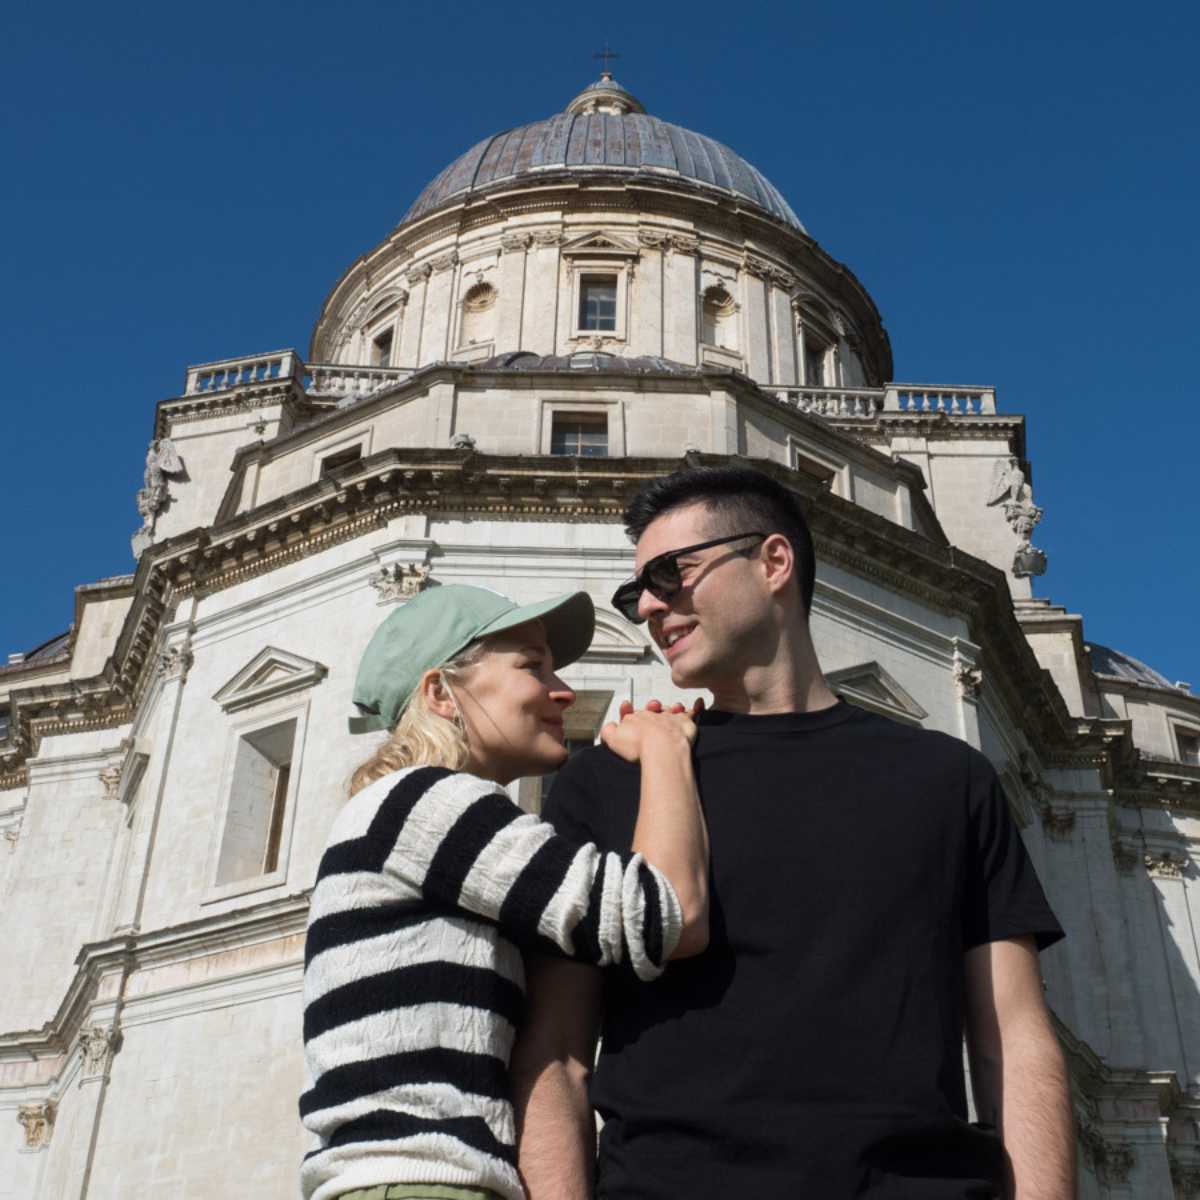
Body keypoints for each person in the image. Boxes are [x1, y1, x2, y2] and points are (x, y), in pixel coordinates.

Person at [512, 466, 1074, 1200]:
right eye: (636, 591)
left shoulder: (947, 778)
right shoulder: (608, 780)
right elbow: (556, 1053)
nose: (649, 606)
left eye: (670, 574)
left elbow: (1015, 1040)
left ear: (774, 562)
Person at [300, 584, 709, 1200]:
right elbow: (661, 915)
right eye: (532, 666)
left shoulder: (396, 815)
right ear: (441, 692)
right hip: (427, 1184)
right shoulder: (429, 803)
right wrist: (665, 749)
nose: (563, 691)